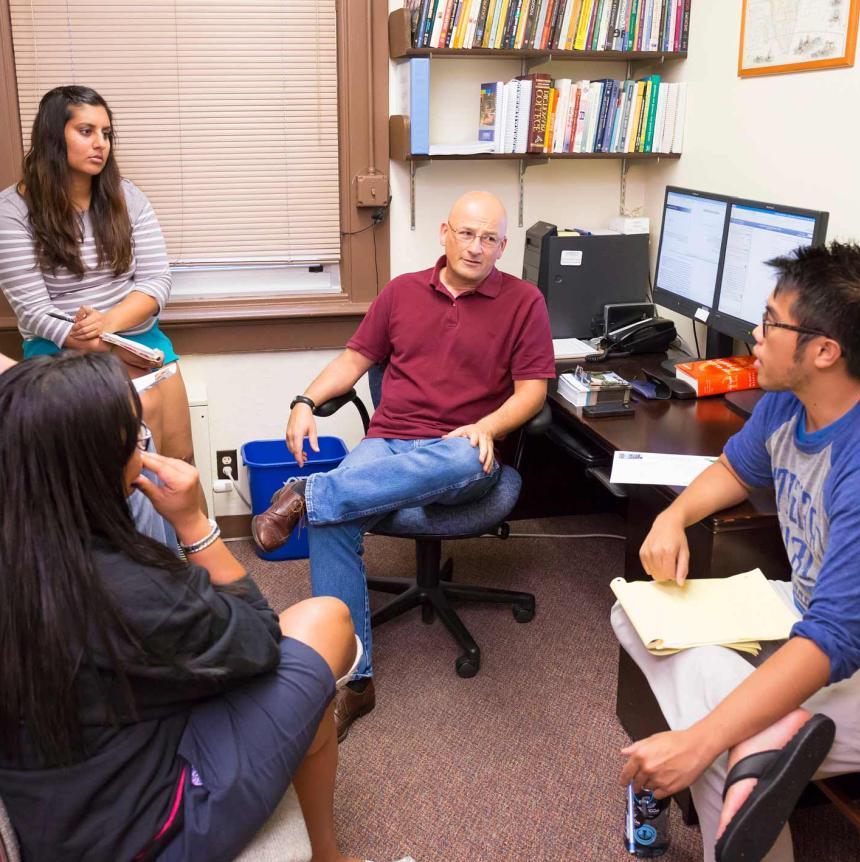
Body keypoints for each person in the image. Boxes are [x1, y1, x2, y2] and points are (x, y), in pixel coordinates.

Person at [0, 352, 380, 862]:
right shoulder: (127, 588)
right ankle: (327, 857)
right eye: (137, 436)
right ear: (102, 465)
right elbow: (260, 639)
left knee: (303, 703)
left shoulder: (33, 556)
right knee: (327, 620)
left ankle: (326, 854)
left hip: (63, 814)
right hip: (151, 831)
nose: (144, 441)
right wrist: (195, 523)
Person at [612, 242, 860, 862]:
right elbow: (736, 469)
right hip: (804, 611)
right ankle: (760, 739)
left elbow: (835, 640)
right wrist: (673, 515)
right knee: (633, 612)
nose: (756, 331)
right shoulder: (791, 395)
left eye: (773, 322)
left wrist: (702, 738)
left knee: (726, 743)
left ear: (825, 351)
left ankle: (746, 753)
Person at [252, 191, 555, 740]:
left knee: (406, 474)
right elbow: (353, 359)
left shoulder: (524, 302)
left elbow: (533, 392)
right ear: (444, 232)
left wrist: (488, 428)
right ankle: (354, 681)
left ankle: (308, 492)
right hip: (389, 441)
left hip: (464, 449)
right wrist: (303, 402)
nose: (476, 247)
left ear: (503, 246)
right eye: (467, 233)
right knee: (333, 515)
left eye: (490, 238)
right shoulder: (400, 292)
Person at [0, 85, 195, 468]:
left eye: (106, 133)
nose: (100, 144)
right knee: (127, 472)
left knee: (180, 460)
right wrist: (96, 340)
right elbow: (34, 311)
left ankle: (194, 530)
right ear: (54, 136)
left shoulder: (128, 198)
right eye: (86, 131)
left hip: (137, 338)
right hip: (59, 348)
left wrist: (109, 325)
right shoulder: (12, 211)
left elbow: (156, 282)